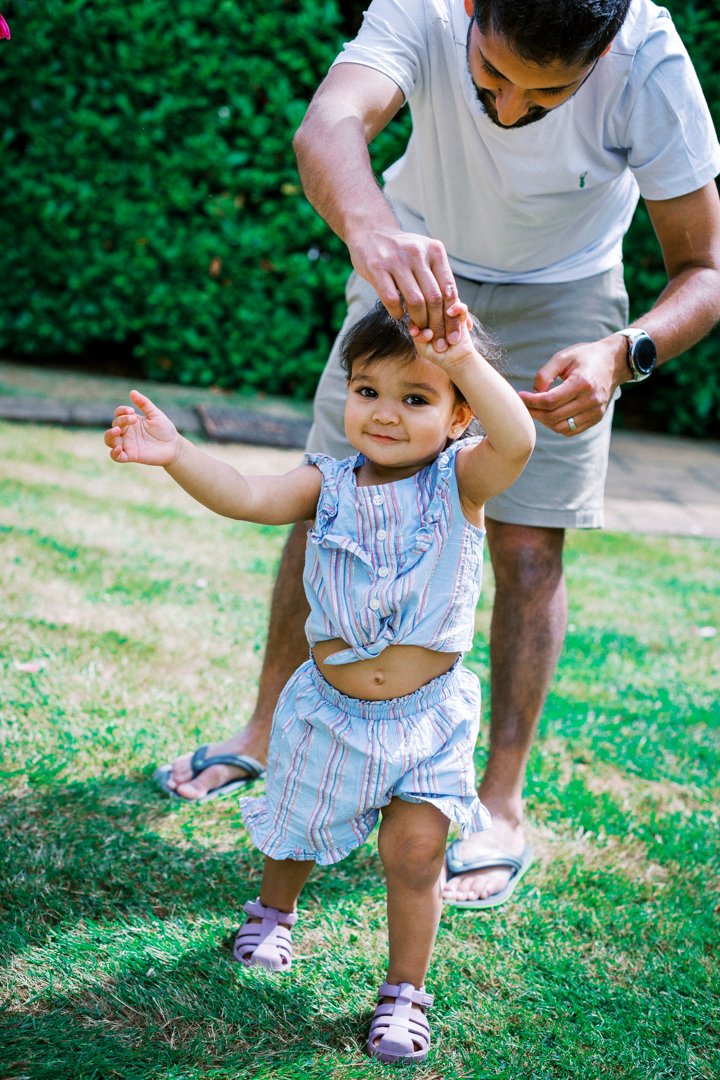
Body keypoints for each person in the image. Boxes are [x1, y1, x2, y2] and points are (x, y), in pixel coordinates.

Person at [158, 0, 720, 909]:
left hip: (570, 291)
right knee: (330, 498)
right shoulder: (420, 8)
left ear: (605, 51)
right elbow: (329, 124)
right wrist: (372, 232)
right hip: (412, 264)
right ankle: (265, 732)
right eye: (491, 79)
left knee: (531, 548)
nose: (508, 111)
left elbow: (705, 266)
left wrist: (626, 354)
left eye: (549, 95)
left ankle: (497, 801)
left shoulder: (649, 59)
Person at [104, 301, 536, 1063]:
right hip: (329, 712)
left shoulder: (462, 482)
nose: (385, 414)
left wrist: (465, 357)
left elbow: (521, 438)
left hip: (426, 721)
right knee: (297, 825)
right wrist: (175, 454)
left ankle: (404, 992)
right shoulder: (325, 483)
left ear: (459, 414)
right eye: (367, 390)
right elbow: (246, 494)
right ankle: (274, 912)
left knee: (414, 853)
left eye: (417, 398)